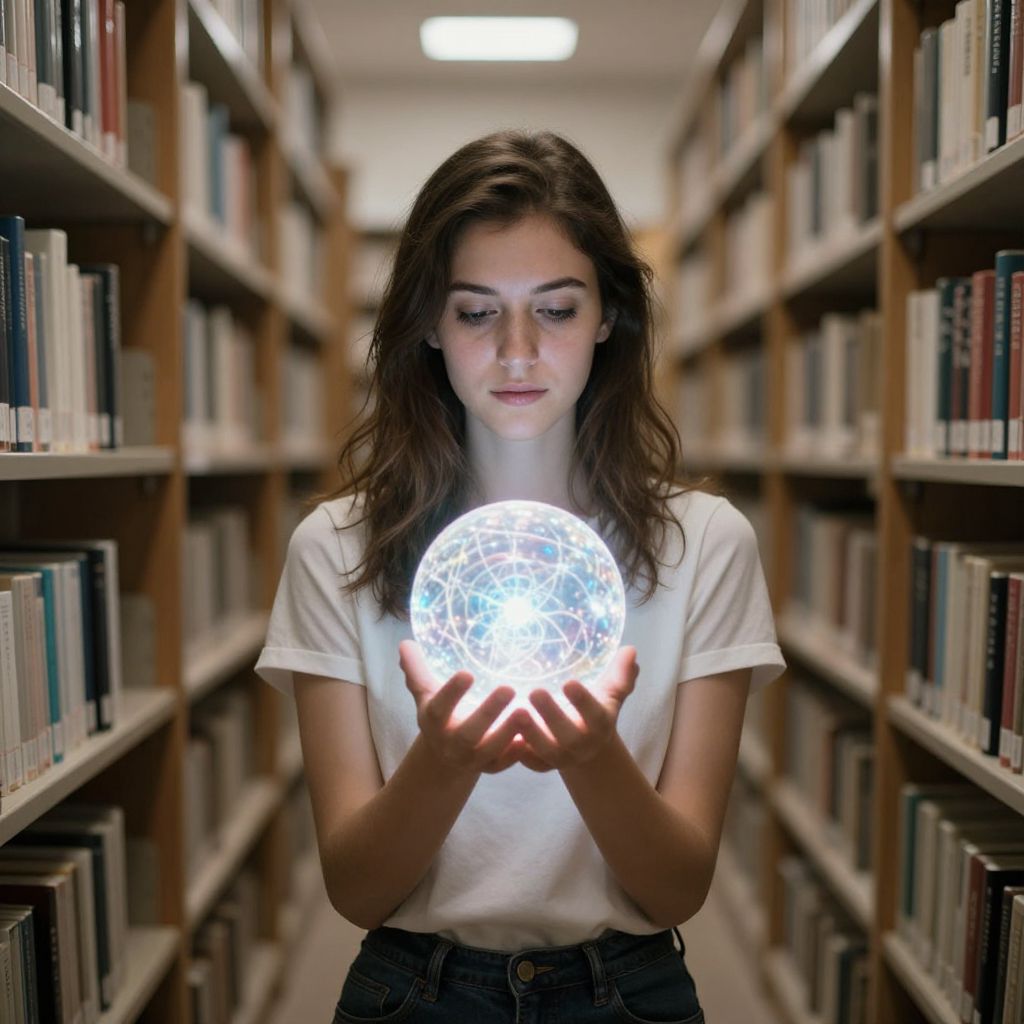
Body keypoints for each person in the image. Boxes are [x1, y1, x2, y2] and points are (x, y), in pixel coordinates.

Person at [255, 129, 785, 1023]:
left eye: (555, 309)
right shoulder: (334, 548)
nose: (515, 351)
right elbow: (357, 890)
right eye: (474, 312)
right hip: (410, 992)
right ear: (427, 321)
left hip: (631, 992)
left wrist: (591, 758)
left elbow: (678, 887)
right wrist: (445, 759)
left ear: (609, 315)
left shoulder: (706, 544)